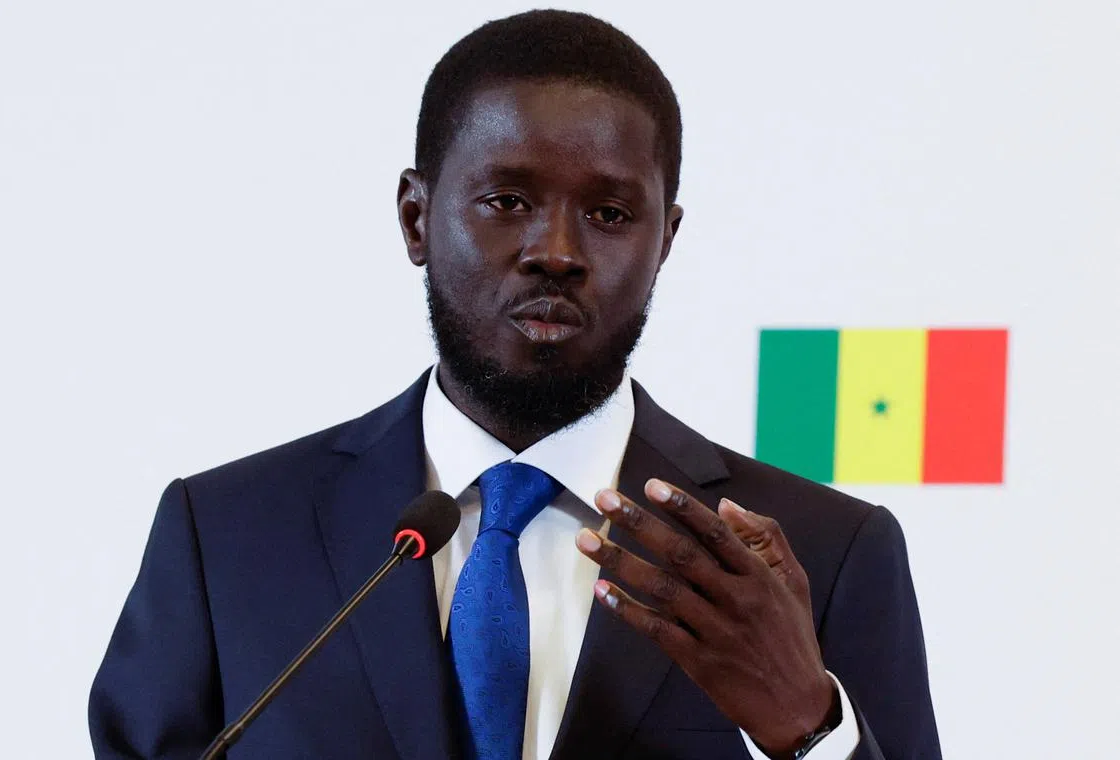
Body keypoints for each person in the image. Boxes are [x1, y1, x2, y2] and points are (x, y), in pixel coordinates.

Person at [89, 9, 940, 760]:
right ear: (416, 217)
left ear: (666, 240)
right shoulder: (228, 536)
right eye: (505, 199)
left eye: (609, 213)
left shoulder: (820, 554)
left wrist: (809, 729)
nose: (557, 251)